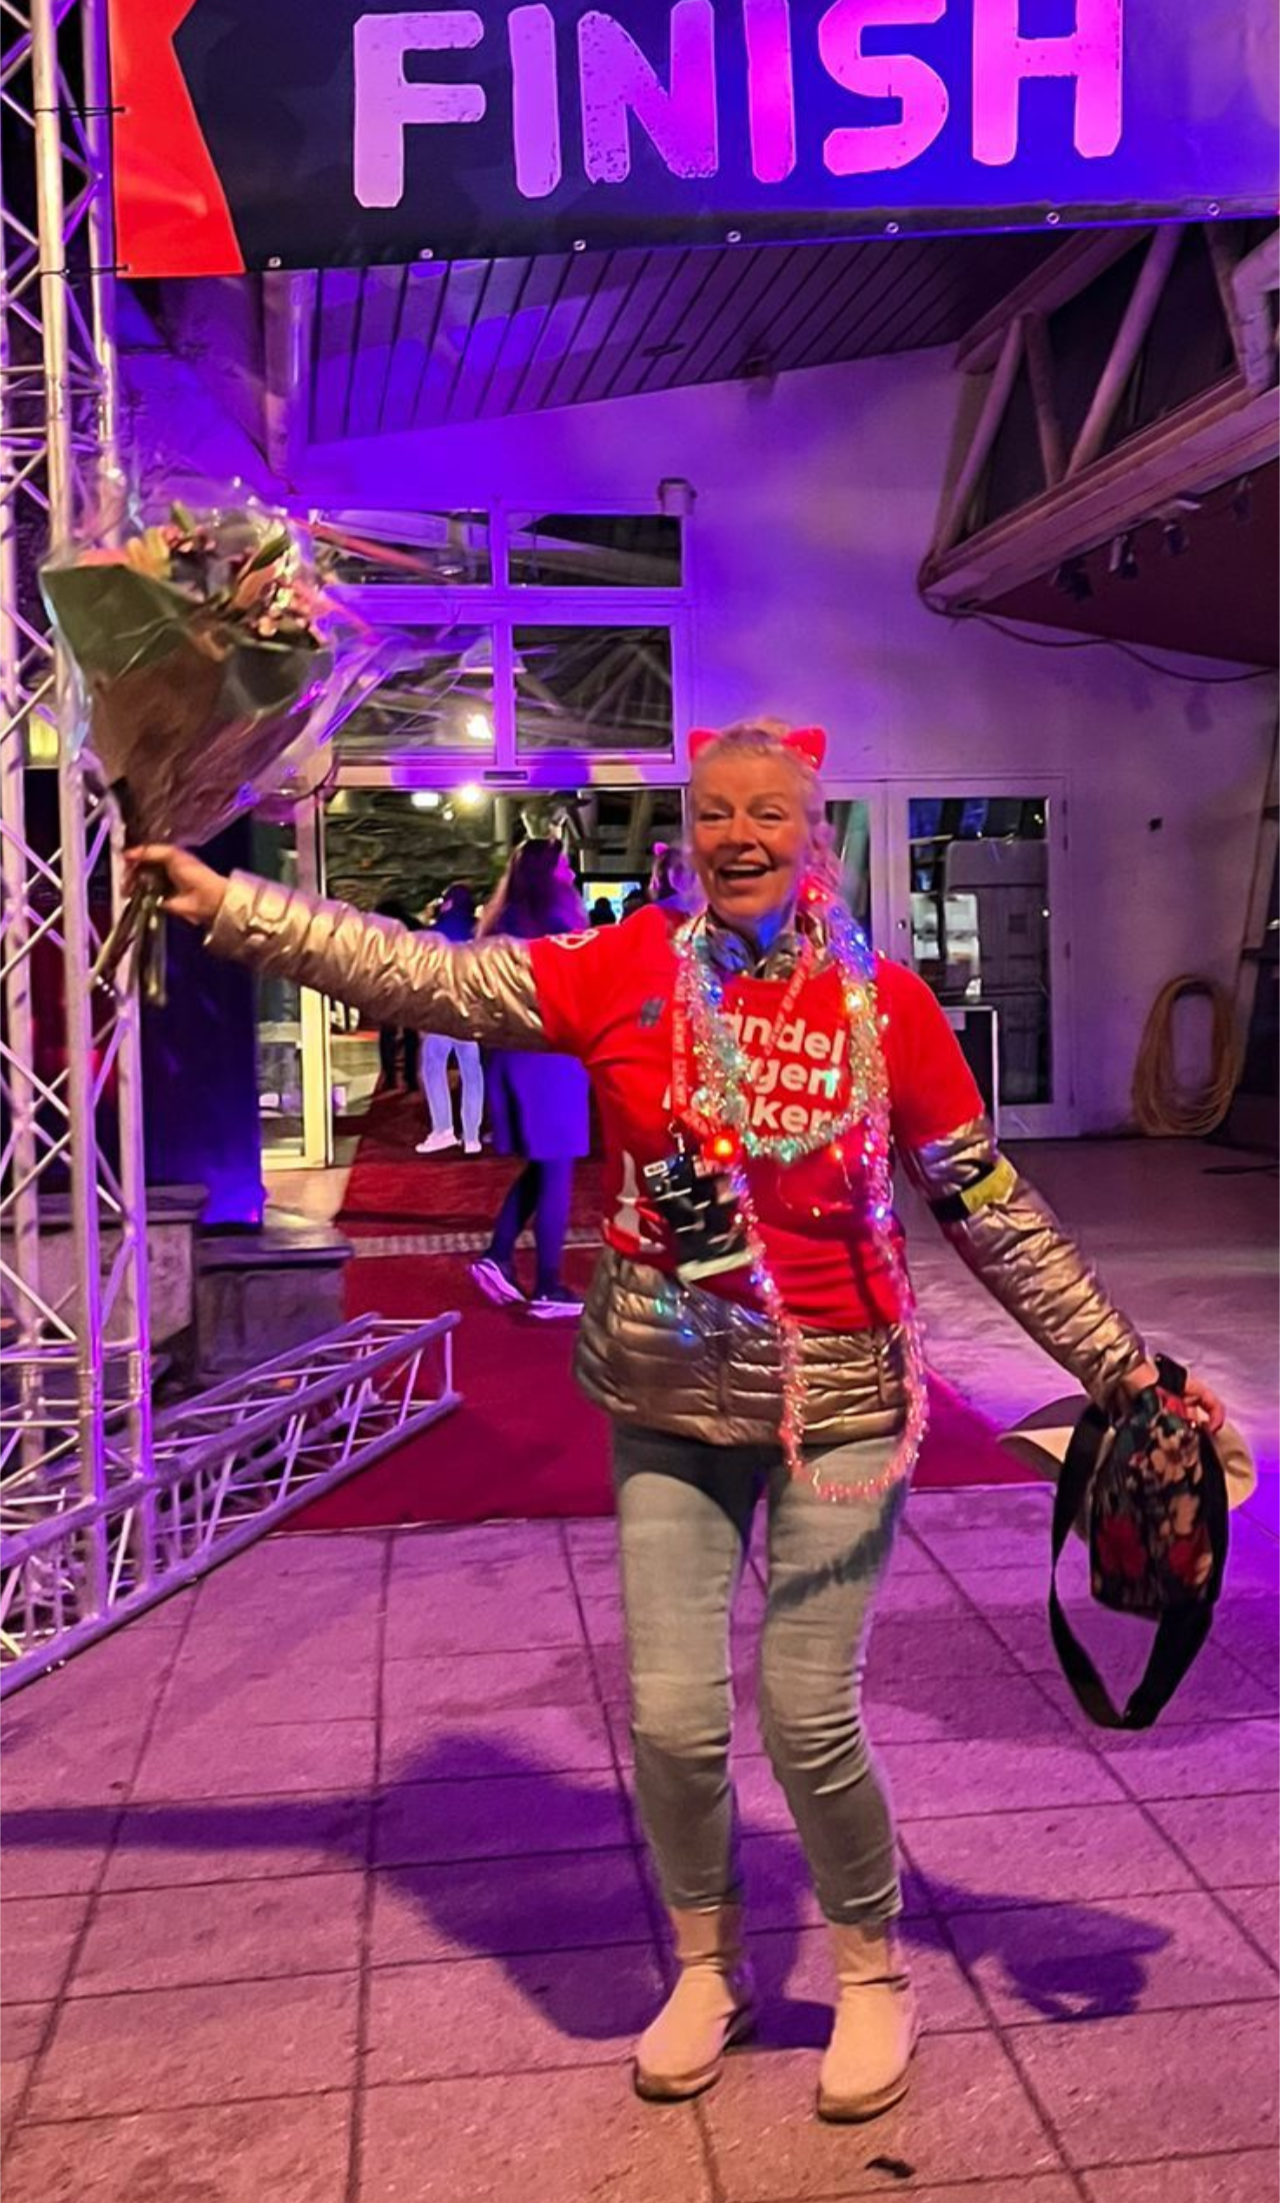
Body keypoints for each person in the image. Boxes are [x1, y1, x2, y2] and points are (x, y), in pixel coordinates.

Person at [129, 718, 1225, 2128]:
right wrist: (233, 903)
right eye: (713, 811)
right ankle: (711, 1968)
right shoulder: (625, 968)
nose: (739, 835)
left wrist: (1122, 1369)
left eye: (769, 812)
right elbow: (426, 975)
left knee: (806, 1715)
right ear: (685, 832)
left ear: (815, 834)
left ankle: (872, 1970)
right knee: (671, 1721)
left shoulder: (888, 1008)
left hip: (840, 1400)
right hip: (664, 1389)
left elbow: (991, 1211)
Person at [472, 838, 590, 1320]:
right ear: (549, 876)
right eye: (564, 867)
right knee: (557, 1169)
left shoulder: (504, 924)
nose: (571, 875)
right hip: (549, 1060)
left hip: (516, 1057)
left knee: (543, 1166)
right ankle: (548, 1284)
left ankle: (499, 1254)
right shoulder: (555, 929)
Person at [416, 884, 485, 1156]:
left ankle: (443, 1129)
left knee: (434, 1065)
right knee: (472, 1070)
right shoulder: (479, 932)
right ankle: (472, 1137)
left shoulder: (434, 933)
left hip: (441, 1009)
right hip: (470, 1009)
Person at [371, 895, 418, 1091]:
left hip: (386, 983)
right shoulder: (413, 926)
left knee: (388, 1032)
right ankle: (410, 1075)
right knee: (410, 1032)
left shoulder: (376, 929)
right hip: (409, 982)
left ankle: (390, 1075)